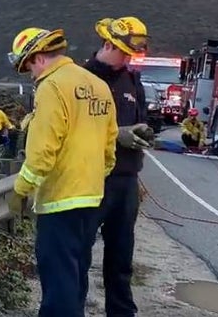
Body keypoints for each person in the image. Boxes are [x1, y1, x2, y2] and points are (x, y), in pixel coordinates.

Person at [7, 26, 117, 317]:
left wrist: (21, 189)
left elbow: (43, 149)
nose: (31, 74)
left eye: (28, 66)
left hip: (60, 200)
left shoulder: (52, 86)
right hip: (92, 198)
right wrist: (95, 178)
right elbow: (109, 145)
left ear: (39, 57)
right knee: (77, 273)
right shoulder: (98, 85)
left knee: (57, 280)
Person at [83, 16, 156, 317]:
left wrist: (143, 131)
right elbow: (75, 131)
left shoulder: (132, 81)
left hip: (125, 182)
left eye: (131, 54)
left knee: (121, 257)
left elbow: (141, 118)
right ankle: (73, 308)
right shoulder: (82, 79)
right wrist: (117, 135)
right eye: (123, 52)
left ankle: (121, 312)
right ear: (107, 43)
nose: (127, 58)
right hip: (89, 180)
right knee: (78, 255)